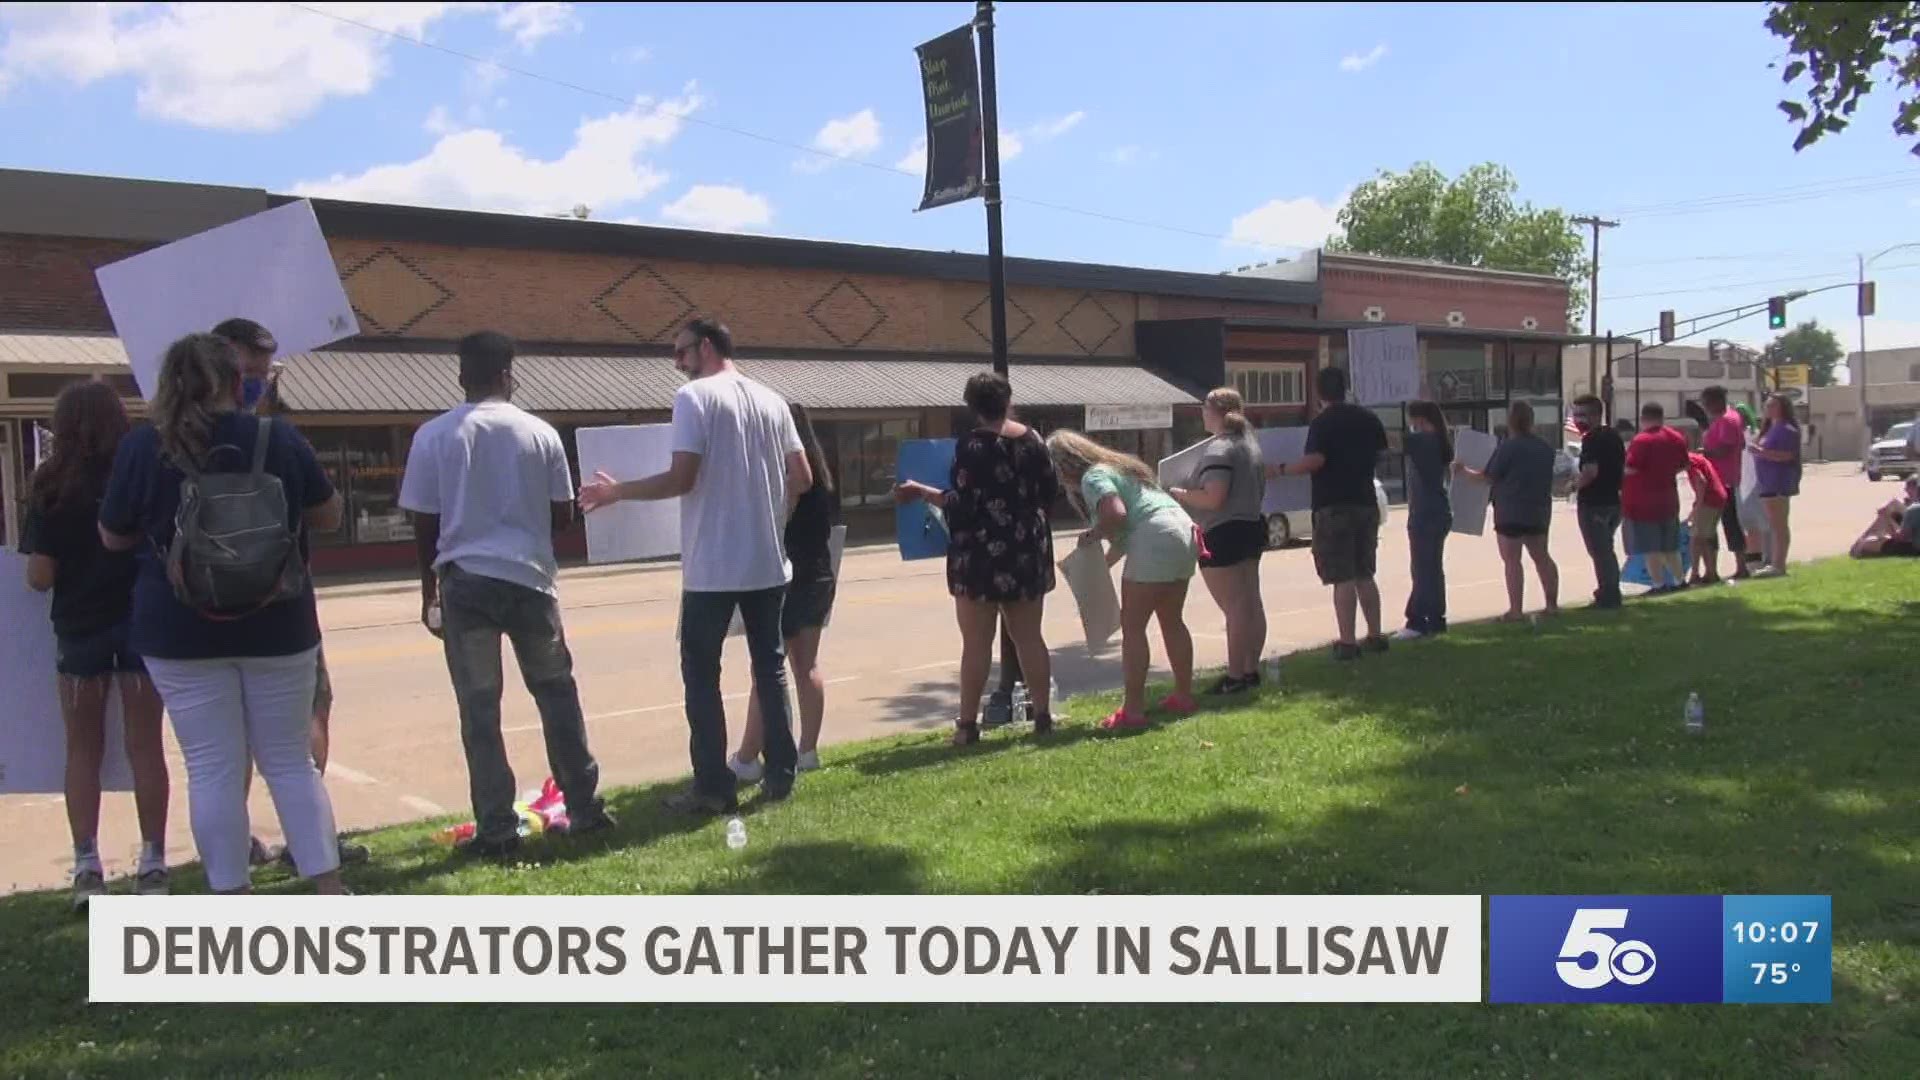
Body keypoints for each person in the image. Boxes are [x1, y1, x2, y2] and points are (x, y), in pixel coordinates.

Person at [98, 333, 346, 895]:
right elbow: (328, 515)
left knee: (210, 766)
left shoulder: (143, 447)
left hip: (178, 629)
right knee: (288, 762)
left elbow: (113, 536)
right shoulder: (275, 437)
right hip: (279, 621)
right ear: (239, 384)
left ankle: (232, 897)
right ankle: (328, 889)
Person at [579, 318, 811, 814]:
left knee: (701, 673)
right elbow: (803, 476)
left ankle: (712, 787)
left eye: (680, 352)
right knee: (770, 668)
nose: (677, 363)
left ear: (705, 347)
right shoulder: (773, 400)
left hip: (713, 565)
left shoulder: (694, 399)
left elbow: (682, 478)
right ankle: (780, 775)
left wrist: (618, 492)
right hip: (767, 561)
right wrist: (772, 514)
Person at [399, 330, 613, 857]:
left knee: (479, 708)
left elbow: (423, 522)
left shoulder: (433, 436)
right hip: (530, 579)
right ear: (507, 374)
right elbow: (562, 515)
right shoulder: (539, 434)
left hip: (464, 580)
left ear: (461, 377)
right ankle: (584, 809)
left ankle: (496, 826)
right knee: (556, 695)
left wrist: (430, 593)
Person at [209, 317, 367, 872]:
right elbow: (328, 514)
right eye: (249, 372)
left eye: (265, 371)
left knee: (226, 747)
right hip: (278, 608)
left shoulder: (169, 439)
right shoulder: (277, 438)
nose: (258, 381)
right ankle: (309, 845)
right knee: (297, 728)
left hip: (203, 614)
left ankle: (247, 852)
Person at [20, 380, 171, 910]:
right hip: (139, 622)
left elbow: (40, 575)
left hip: (80, 629)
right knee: (145, 744)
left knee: (83, 748)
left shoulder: (50, 486)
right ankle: (153, 862)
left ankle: (88, 866)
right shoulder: (138, 473)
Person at [893, 372, 1058, 745]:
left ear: (972, 407)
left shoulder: (971, 446)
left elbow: (961, 505)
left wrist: (921, 491)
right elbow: (1050, 492)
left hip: (980, 555)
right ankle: (1043, 717)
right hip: (1026, 549)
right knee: (1030, 637)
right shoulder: (1034, 441)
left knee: (976, 643)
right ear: (1008, 399)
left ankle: (968, 726)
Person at [1047, 430, 1197, 730]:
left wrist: (1093, 533)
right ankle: (1183, 695)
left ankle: (1133, 711)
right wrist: (1096, 568)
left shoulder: (1092, 478)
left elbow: (1116, 514)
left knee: (1133, 627)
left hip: (1153, 537)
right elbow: (1126, 530)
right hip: (1183, 530)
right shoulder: (1121, 468)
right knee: (1172, 619)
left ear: (1063, 465)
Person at [731, 403, 840, 777]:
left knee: (767, 668)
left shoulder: (789, 480)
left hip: (787, 577)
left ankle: (747, 757)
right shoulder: (822, 479)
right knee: (806, 666)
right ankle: (807, 751)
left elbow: (775, 525)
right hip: (820, 575)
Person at [1272, 367, 1388, 660]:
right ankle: (1375, 635)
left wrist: (1281, 469)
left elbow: (1315, 461)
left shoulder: (1322, 423)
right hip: (1365, 501)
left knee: (1342, 576)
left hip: (1334, 505)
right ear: (1344, 388)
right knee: (1365, 572)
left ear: (1319, 393)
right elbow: (1382, 451)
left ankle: (1348, 642)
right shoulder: (1368, 418)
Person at [1168, 387, 1267, 691]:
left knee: (1235, 608)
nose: (1201, 414)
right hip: (1251, 525)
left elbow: (1213, 498)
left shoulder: (1219, 449)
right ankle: (1250, 669)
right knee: (1250, 602)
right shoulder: (1249, 445)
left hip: (1222, 531)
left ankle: (1235, 676)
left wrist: (1179, 493)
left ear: (1216, 413)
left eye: (1204, 409)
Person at [1459, 401, 1559, 621]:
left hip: (1510, 510)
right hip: (1538, 509)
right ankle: (1551, 604)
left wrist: (1462, 471)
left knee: (1512, 561)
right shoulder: (1545, 447)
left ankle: (1516, 610)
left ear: (1510, 421)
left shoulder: (1507, 447)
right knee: (1542, 557)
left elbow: (1487, 477)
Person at [1621, 402, 1691, 595]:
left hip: (1643, 502)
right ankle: (1679, 580)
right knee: (1670, 546)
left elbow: (1631, 467)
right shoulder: (1676, 437)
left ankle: (1658, 584)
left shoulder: (1641, 440)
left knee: (1651, 547)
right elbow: (1684, 465)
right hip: (1668, 498)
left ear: (1644, 419)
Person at [1397, 401, 1453, 639]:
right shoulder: (1438, 441)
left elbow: (1390, 441)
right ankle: (1436, 618)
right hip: (1437, 511)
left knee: (1422, 569)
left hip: (1425, 514)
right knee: (1432, 568)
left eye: (1412, 420)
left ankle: (1417, 620)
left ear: (1419, 420)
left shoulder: (1424, 441)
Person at [1567, 395, 1626, 610]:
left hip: (1595, 503)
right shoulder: (1613, 436)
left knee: (1601, 552)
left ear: (1595, 414)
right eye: (1575, 414)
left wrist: (1574, 486)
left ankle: (1609, 595)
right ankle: (1609, 590)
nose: (1577, 419)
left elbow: (1590, 471)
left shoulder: (1592, 439)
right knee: (1606, 549)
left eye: (1581, 414)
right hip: (1613, 501)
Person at [1697, 385, 1751, 581]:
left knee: (1718, 525)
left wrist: (1704, 454)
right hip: (1724, 478)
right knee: (1729, 523)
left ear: (1715, 401)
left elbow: (1725, 449)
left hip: (1722, 480)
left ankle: (1719, 570)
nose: (1705, 407)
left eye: (1706, 403)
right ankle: (1735, 566)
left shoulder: (1727, 420)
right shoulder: (1728, 419)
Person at [1750, 393, 1802, 578]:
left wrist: (1761, 452)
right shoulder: (1770, 428)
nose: (1768, 408)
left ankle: (1779, 565)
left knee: (1779, 525)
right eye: (1767, 405)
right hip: (1766, 482)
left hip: (1779, 481)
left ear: (1783, 407)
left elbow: (1787, 455)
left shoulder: (1786, 429)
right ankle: (1773, 562)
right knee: (1773, 524)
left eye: (1773, 405)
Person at [1684, 450, 1730, 585]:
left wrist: (1697, 507)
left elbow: (1701, 481)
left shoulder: (1689, 461)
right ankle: (1710, 573)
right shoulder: (1696, 458)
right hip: (1716, 497)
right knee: (1705, 536)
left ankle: (1697, 574)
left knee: (1697, 538)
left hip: (1709, 500)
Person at [1850, 476, 1920, 557]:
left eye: (1909, 487)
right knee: (1891, 507)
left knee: (1865, 544)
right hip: (1910, 540)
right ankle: (1863, 540)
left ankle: (1861, 541)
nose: (1905, 490)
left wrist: (1886, 518)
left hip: (1912, 547)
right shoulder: (1912, 508)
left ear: (1916, 489)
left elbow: (1900, 539)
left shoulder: (1913, 510)